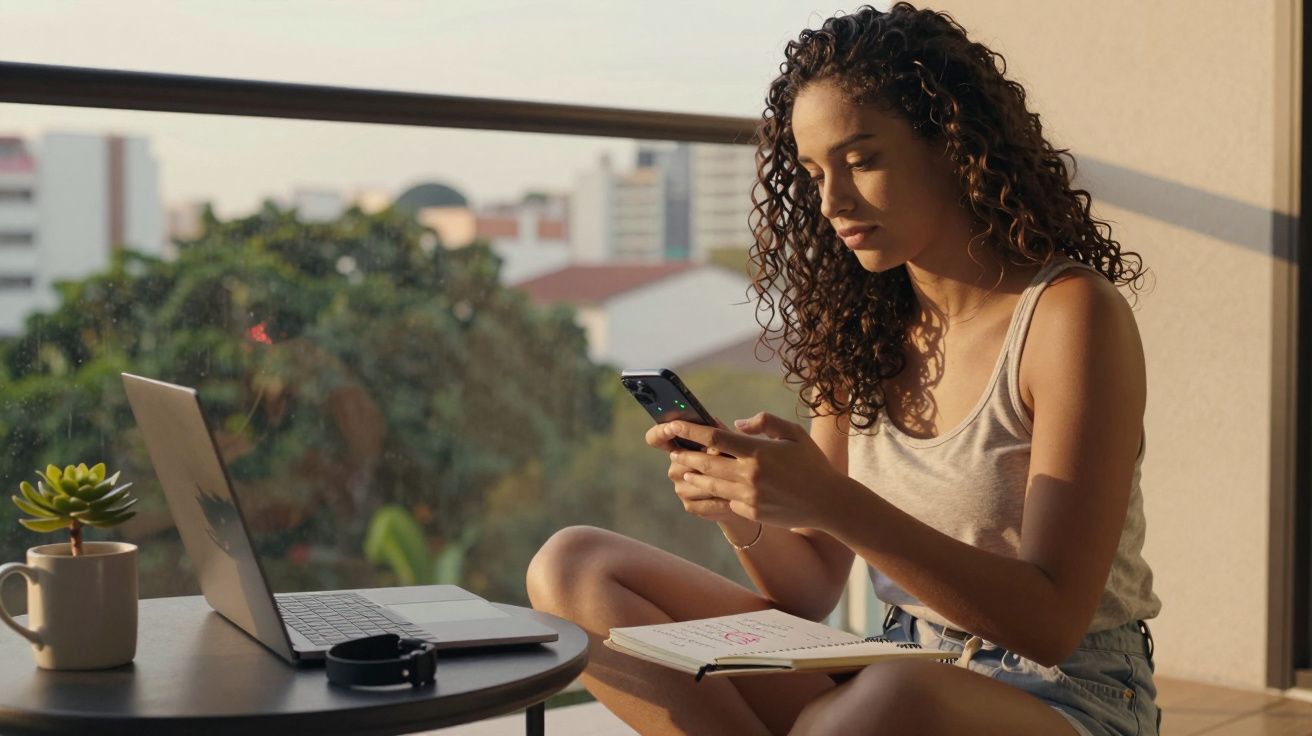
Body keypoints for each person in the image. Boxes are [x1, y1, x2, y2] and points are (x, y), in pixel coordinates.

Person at [527, 3, 1161, 734]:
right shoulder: (863, 325)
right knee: (573, 566)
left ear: (954, 147)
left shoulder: (1068, 315)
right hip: (898, 666)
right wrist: (744, 504)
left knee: (887, 703)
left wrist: (831, 500)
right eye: (813, 171)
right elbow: (811, 587)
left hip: (1066, 692)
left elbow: (1050, 621)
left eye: (862, 160)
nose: (832, 201)